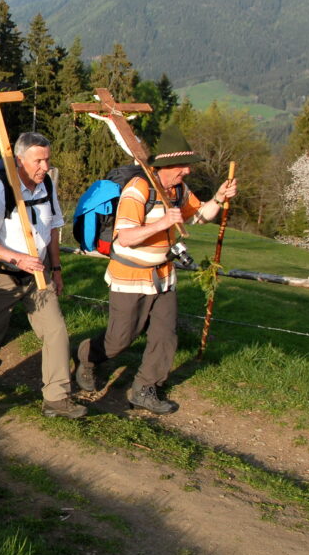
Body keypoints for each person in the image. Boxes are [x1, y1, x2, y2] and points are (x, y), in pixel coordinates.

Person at [76, 126, 237, 414]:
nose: (187, 171)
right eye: (183, 166)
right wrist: (162, 224)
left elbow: (199, 216)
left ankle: (145, 388)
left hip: (163, 275)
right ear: (165, 166)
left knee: (165, 335)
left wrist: (219, 198)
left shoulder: (177, 191)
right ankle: (87, 356)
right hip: (129, 276)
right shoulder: (138, 189)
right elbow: (125, 236)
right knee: (120, 340)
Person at [0, 132, 86, 420]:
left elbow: (54, 228)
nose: (44, 166)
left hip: (39, 277)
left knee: (56, 330)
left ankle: (56, 397)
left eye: (47, 159)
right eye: (38, 160)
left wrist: (56, 269)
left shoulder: (46, 185)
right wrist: (17, 258)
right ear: (20, 160)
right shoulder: (0, 192)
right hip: (6, 275)